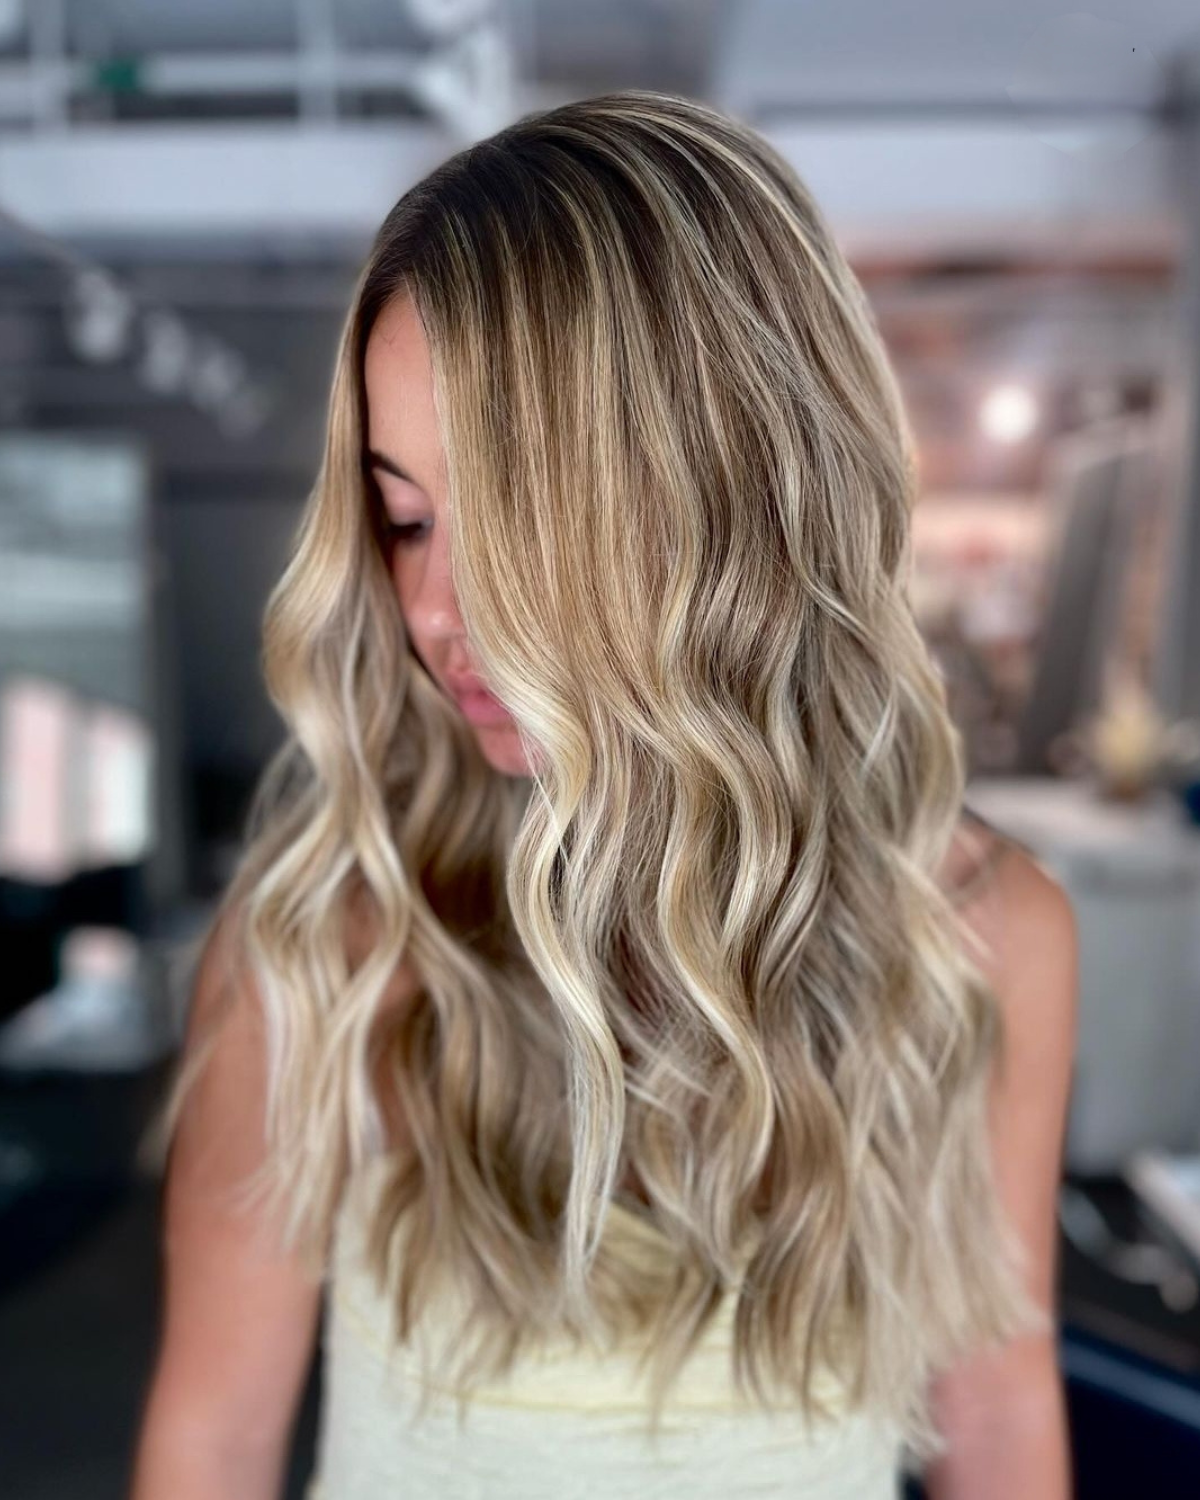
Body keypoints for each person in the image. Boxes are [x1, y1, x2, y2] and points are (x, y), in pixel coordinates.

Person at [128, 89, 1078, 1500]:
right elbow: (207, 1444)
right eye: (405, 519)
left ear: (728, 494)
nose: (436, 610)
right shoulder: (327, 948)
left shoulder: (978, 936)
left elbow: (996, 1418)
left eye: (513, 520)